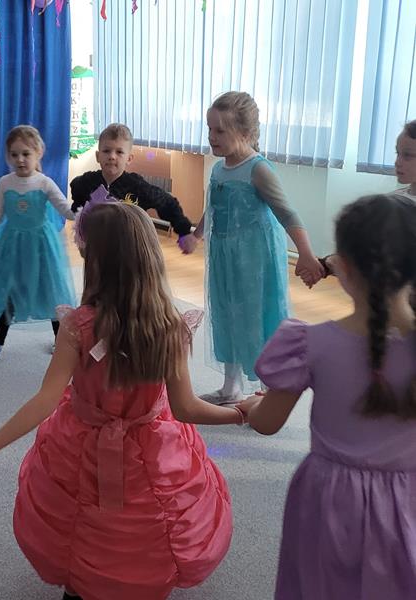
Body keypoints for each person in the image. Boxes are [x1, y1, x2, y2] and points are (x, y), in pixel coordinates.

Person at [0, 202, 243, 600]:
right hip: (154, 449)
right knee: (147, 526)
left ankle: (85, 585)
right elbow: (186, 408)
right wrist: (240, 413)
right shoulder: (169, 326)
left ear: (97, 263)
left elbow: (45, 399)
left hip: (82, 445)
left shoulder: (78, 325)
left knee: (84, 522)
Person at [243, 193, 416, 600]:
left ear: (345, 268)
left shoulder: (311, 343)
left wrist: (252, 407)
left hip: (330, 499)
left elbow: (266, 422)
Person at [179, 92, 323, 403]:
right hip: (224, 255)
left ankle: (272, 388)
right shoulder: (218, 168)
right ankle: (231, 386)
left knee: (256, 317)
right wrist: (197, 235)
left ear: (245, 133)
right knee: (227, 313)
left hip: (255, 259)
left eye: (220, 130)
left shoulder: (258, 169)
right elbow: (212, 207)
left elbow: (287, 213)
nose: (211, 137)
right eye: (209, 129)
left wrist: (306, 254)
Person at [0, 125, 76, 364]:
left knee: (51, 293)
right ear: (8, 156)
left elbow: (65, 208)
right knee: (8, 292)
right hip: (13, 248)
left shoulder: (44, 183)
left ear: (39, 153)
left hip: (42, 248)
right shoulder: (5, 183)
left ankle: (61, 341)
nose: (20, 159)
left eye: (26, 154)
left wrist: (85, 214)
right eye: (14, 154)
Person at [69, 122, 194, 248]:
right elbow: (77, 200)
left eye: (119, 152)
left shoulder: (137, 186)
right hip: (96, 248)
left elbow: (166, 202)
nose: (112, 156)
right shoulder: (86, 182)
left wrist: (184, 231)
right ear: (98, 156)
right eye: (106, 151)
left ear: (129, 158)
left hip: (130, 249)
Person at [319, 119, 416, 279]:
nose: (397, 162)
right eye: (397, 153)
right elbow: (368, 248)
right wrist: (327, 264)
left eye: (408, 155)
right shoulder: (392, 202)